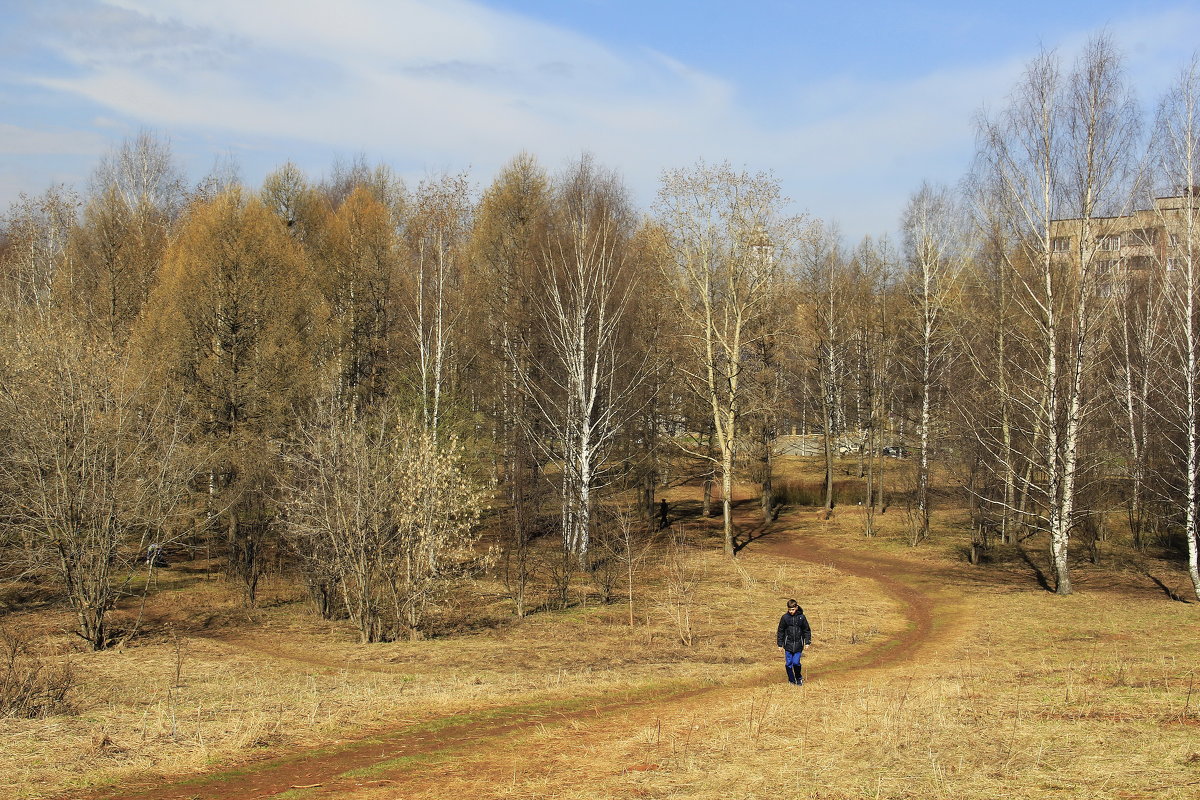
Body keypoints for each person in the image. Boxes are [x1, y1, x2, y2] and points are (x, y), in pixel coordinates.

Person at [776, 598, 811, 685]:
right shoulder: (785, 618)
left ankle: (799, 678)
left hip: (798, 645)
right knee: (788, 664)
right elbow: (780, 631)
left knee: (796, 663)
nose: (791, 611)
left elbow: (806, 630)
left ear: (796, 607)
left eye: (792, 609)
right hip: (788, 645)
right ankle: (791, 680)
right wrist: (780, 644)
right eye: (789, 609)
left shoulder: (801, 617)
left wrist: (807, 642)